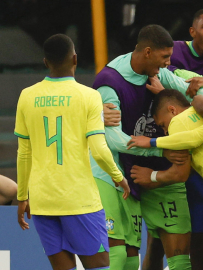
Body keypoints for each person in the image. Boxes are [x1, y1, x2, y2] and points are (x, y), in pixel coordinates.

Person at [92, 24, 203, 270]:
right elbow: (113, 138)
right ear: (147, 52)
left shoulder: (160, 74)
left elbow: (202, 96)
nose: (168, 63)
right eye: (164, 57)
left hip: (164, 177)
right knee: (126, 256)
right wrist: (160, 149)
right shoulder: (109, 81)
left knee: (180, 258)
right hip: (123, 176)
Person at [14, 34, 130, 270]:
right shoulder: (89, 96)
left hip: (43, 200)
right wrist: (118, 177)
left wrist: (23, 196)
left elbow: (24, 153)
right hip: (79, 199)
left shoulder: (26, 95)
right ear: (75, 59)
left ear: (46, 62)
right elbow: (98, 148)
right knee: (99, 265)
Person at [128, 89, 203, 270]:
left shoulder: (178, 122)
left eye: (162, 125)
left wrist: (151, 173)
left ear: (172, 110)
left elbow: (181, 172)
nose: (165, 131)